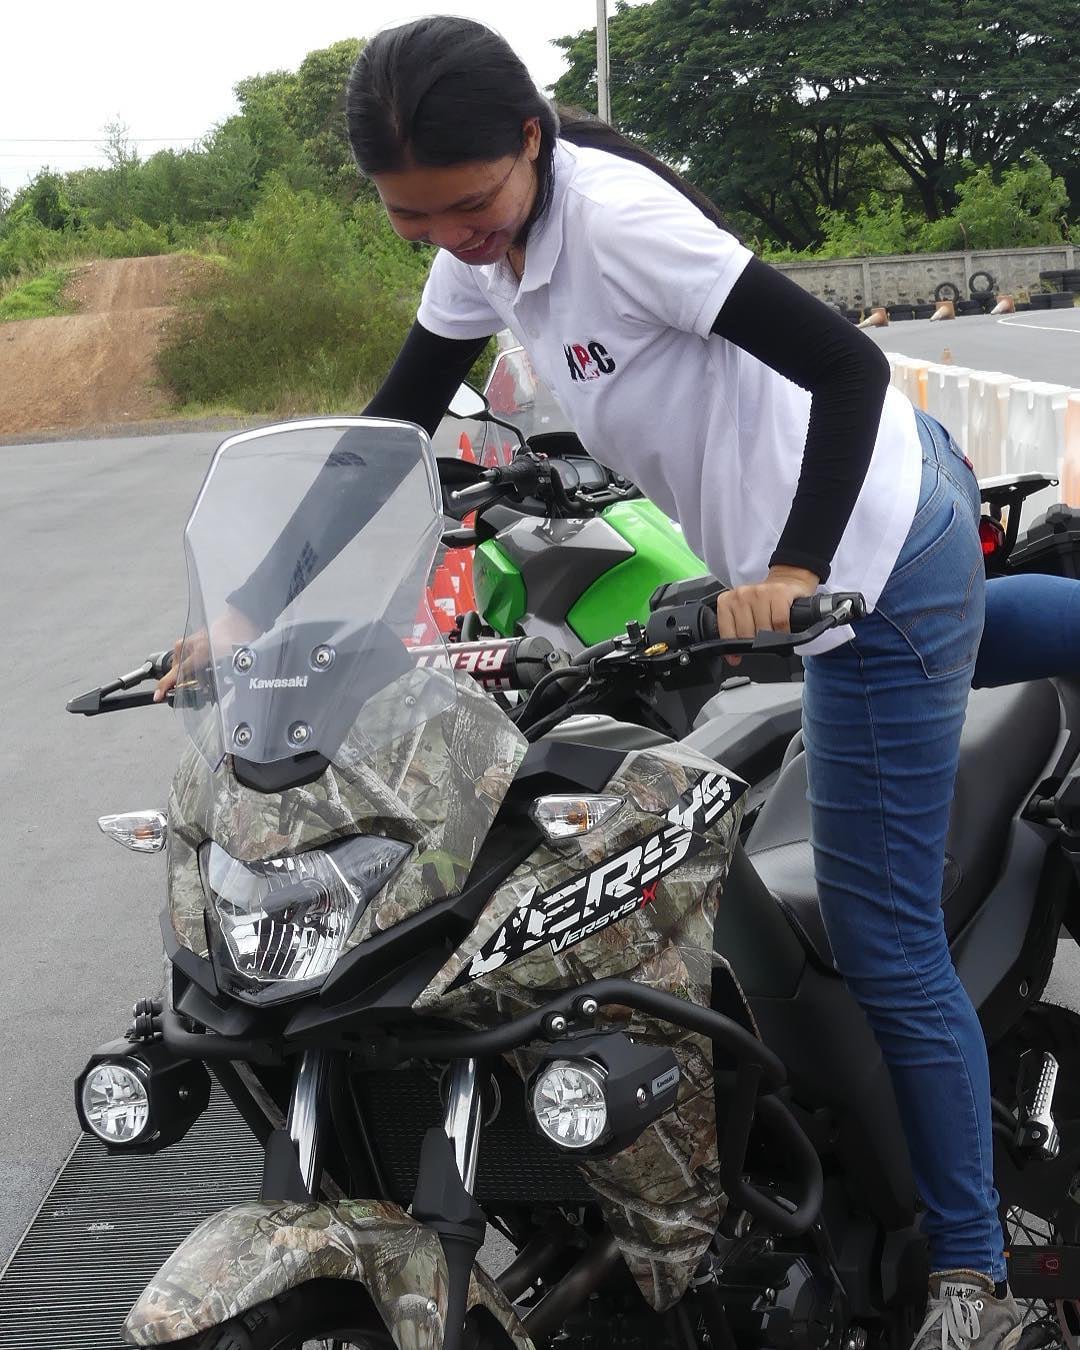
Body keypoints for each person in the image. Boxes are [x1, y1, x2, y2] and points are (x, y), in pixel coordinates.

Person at [154, 17, 1080, 1346]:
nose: (453, 239)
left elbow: (849, 364)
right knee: (963, 641)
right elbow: (388, 433)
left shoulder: (621, 224)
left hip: (866, 546)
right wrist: (254, 601)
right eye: (415, 220)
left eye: (470, 206)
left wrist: (794, 566)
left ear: (533, 142)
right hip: (865, 517)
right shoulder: (488, 253)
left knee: (882, 931)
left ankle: (971, 1283)